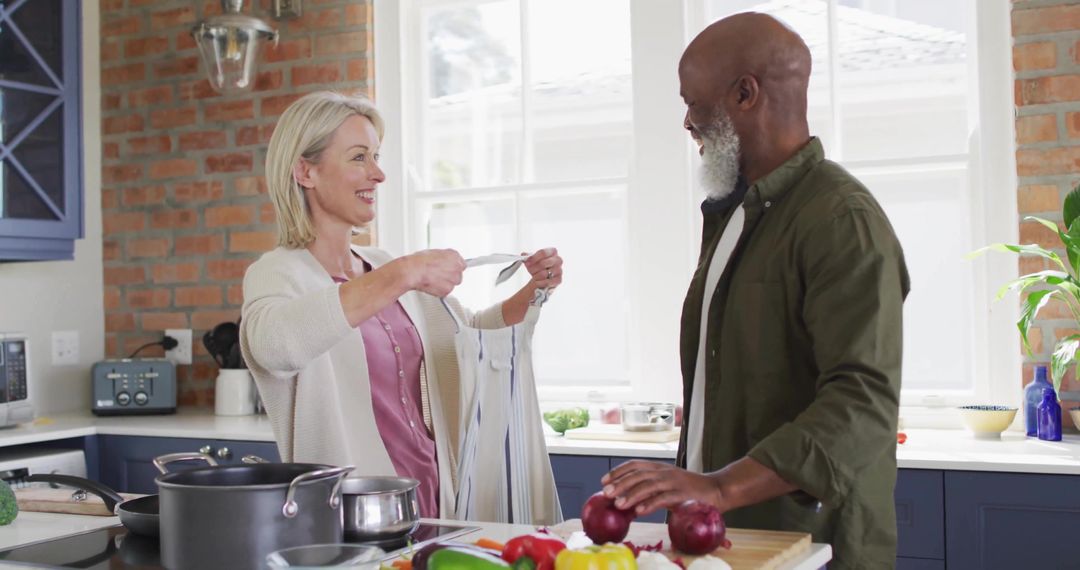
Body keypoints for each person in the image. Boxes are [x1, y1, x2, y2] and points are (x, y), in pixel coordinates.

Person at [600, 13, 909, 569]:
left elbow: (860, 404)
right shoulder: (740, 216)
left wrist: (718, 487)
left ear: (745, 93)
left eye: (692, 101)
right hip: (730, 545)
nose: (687, 122)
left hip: (813, 548)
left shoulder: (841, 218)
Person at [239, 91, 563, 520]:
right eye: (359, 157)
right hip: (350, 512)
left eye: (376, 156)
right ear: (306, 171)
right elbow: (274, 347)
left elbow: (467, 338)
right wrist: (403, 274)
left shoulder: (382, 265)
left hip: (433, 494)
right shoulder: (278, 273)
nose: (378, 174)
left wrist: (532, 292)